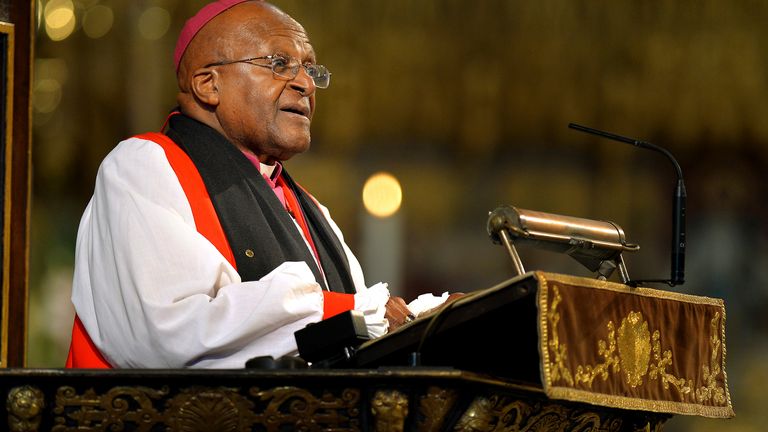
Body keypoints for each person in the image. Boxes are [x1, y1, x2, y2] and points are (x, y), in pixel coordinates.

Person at [66, 0, 427, 368]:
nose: (305, 84)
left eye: (309, 68)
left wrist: (430, 321)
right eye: (279, 64)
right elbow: (166, 332)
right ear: (208, 85)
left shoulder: (309, 208)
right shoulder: (143, 168)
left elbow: (368, 323)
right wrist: (351, 311)